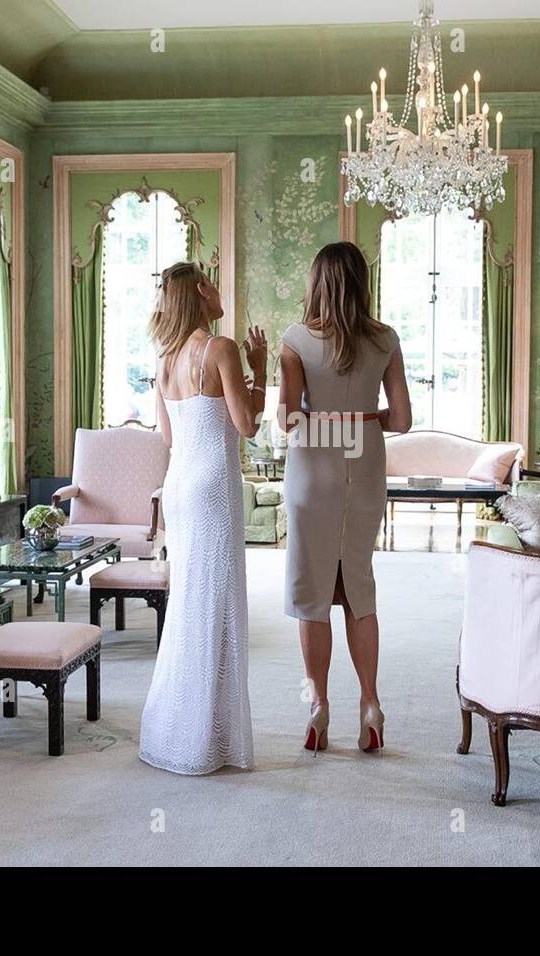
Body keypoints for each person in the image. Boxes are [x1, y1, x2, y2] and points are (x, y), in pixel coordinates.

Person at [278, 241, 412, 753]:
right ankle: (371, 704)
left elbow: (288, 417)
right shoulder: (385, 340)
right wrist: (364, 419)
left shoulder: (295, 340)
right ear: (360, 282)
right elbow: (400, 419)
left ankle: (318, 706)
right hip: (366, 470)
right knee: (357, 583)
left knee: (312, 590)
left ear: (316, 284)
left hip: (313, 469)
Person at [138, 261, 266, 775]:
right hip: (214, 486)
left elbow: (169, 439)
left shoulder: (166, 358)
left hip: (180, 487)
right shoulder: (221, 349)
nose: (218, 292)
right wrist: (258, 369)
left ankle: (179, 727)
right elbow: (248, 425)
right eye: (211, 284)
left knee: (191, 602)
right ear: (198, 292)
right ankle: (209, 737)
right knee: (218, 603)